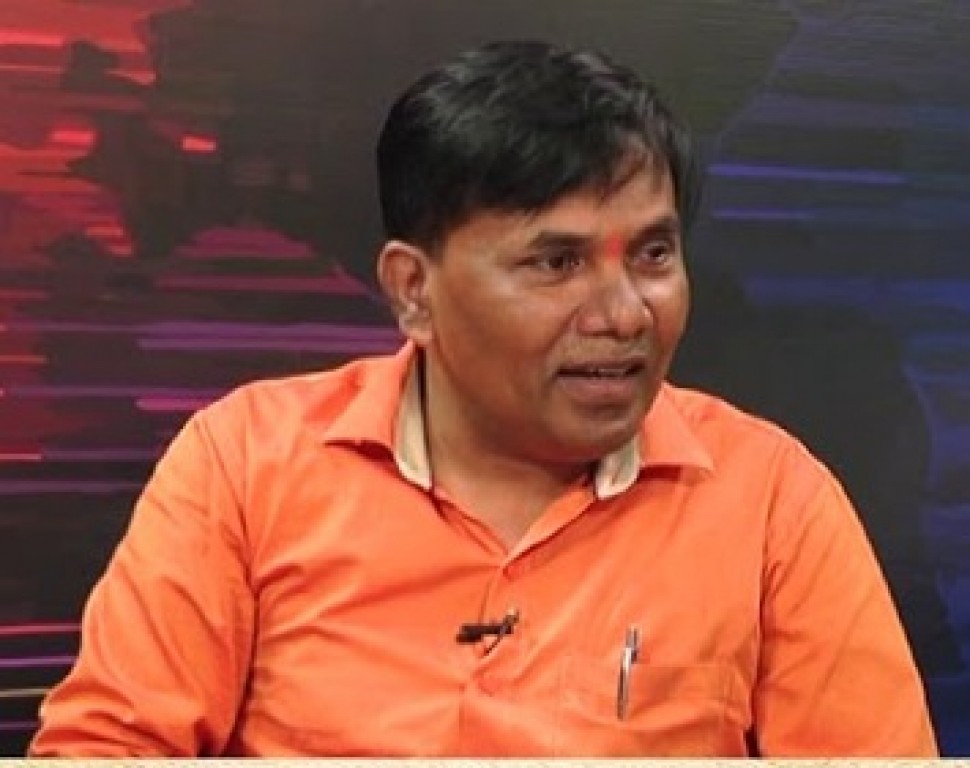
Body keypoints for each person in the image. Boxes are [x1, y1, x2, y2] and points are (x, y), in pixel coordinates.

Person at [29, 40, 936, 757]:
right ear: (413, 292)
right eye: (557, 262)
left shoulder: (771, 498)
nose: (625, 313)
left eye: (653, 255)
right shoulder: (245, 464)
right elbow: (105, 749)